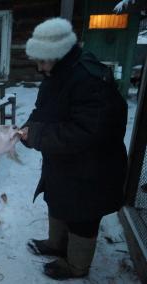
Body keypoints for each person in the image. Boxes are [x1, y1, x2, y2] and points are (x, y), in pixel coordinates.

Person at [20, 18, 128, 280]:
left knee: (83, 214)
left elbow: (86, 131)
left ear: (57, 54)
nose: (39, 67)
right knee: (57, 198)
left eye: (42, 61)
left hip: (93, 166)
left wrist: (37, 135)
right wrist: (26, 127)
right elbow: (43, 110)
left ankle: (77, 266)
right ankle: (56, 244)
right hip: (65, 160)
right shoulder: (56, 73)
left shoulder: (89, 78)